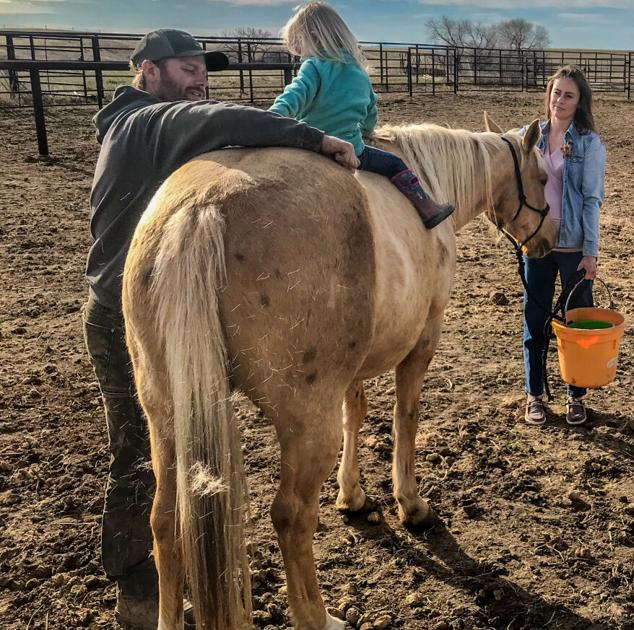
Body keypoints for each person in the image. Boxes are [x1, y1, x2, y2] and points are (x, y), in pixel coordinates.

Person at [86, 28, 358, 629]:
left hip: (155, 299)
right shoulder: (143, 121)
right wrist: (313, 137)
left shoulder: (143, 124)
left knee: (173, 456)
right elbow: (215, 117)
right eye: (186, 67)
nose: (198, 76)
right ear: (147, 71)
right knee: (141, 459)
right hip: (120, 313)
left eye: (201, 67)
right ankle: (138, 594)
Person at [269, 1, 454, 229]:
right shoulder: (359, 72)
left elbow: (293, 98)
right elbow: (369, 113)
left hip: (314, 145)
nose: (298, 53)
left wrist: (271, 120)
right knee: (395, 164)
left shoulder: (314, 67)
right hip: (353, 148)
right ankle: (428, 208)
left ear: (315, 38)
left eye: (299, 44)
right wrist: (366, 132)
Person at [522, 65, 607, 426]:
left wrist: (591, 251)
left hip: (573, 246)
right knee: (535, 321)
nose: (560, 100)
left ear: (579, 101)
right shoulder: (531, 137)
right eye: (556, 93)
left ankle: (577, 395)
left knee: (578, 324)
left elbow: (592, 199)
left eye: (568, 95)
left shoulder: (589, 144)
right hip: (538, 243)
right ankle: (535, 394)